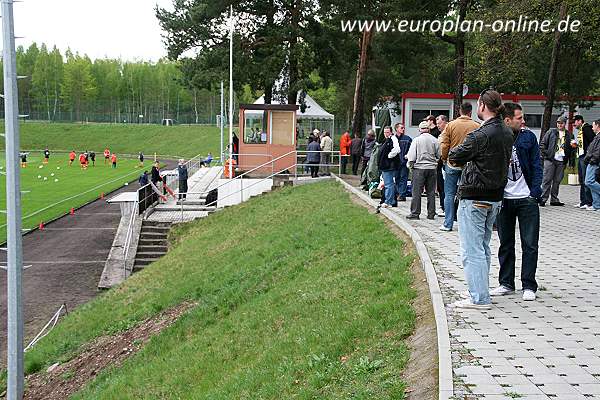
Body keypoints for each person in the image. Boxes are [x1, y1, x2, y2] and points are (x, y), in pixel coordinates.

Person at [448, 89, 513, 309]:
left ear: (483, 106)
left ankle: (479, 297)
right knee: (483, 247)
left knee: (471, 250)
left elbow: (454, 155)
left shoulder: (480, 135)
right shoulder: (506, 131)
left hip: (474, 196)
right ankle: (481, 291)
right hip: (495, 197)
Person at [491, 103, 543, 301]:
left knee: (530, 244)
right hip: (504, 199)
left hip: (527, 199)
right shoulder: (498, 138)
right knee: (505, 243)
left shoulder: (528, 137)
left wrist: (535, 192)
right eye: (519, 118)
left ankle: (529, 285)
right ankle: (506, 283)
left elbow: (537, 165)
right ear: (507, 120)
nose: (523, 121)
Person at [439, 102, 480, 231]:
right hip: (469, 165)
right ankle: (466, 224)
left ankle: (448, 223)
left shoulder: (450, 125)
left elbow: (444, 145)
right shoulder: (476, 126)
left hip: (452, 163)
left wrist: (445, 159)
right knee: (468, 194)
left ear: (460, 111)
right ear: (470, 112)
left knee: (449, 194)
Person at [405, 121, 440, 220]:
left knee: (416, 192)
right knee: (431, 192)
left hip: (419, 169)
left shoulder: (416, 140)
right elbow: (439, 154)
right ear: (428, 129)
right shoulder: (435, 140)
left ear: (420, 130)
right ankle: (431, 214)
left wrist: (410, 165)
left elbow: (411, 156)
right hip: (432, 169)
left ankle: (415, 213)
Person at [539, 116, 572, 206]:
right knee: (547, 180)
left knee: (557, 181)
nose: (559, 124)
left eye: (561, 123)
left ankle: (554, 199)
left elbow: (571, 149)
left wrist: (570, 161)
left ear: (565, 124)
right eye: (558, 123)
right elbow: (542, 144)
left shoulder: (569, 134)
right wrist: (547, 154)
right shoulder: (551, 132)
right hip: (550, 160)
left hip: (561, 161)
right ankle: (543, 199)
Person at [572, 115, 596, 209]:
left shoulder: (586, 128)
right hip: (581, 156)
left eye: (575, 122)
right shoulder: (581, 130)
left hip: (585, 157)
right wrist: (577, 146)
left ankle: (589, 202)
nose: (574, 124)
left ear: (580, 121)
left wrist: (588, 154)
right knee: (582, 180)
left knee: (586, 180)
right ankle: (583, 201)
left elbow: (592, 142)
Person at [378, 126, 400, 208]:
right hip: (385, 166)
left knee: (388, 184)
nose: (386, 134)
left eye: (387, 132)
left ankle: (388, 201)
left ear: (391, 132)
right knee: (389, 184)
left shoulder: (393, 139)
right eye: (384, 132)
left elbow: (397, 149)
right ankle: (392, 201)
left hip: (389, 166)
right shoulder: (386, 140)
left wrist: (389, 156)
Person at [583, 119, 600, 211]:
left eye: (593, 126)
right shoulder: (597, 136)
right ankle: (597, 205)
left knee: (589, 182)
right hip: (592, 161)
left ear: (598, 126)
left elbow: (598, 151)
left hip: (594, 162)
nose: (592, 128)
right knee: (592, 182)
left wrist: (592, 160)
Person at [394, 123, 412, 202]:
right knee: (397, 178)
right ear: (396, 129)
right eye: (401, 128)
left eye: (404, 128)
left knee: (403, 178)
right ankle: (398, 193)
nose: (403, 129)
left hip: (404, 162)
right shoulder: (393, 139)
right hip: (395, 163)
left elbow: (411, 149)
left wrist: (408, 156)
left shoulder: (407, 139)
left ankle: (402, 195)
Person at [435, 115, 449, 216]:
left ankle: (445, 208)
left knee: (445, 187)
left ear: (445, 122)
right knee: (441, 187)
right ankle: (443, 206)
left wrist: (442, 159)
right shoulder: (441, 134)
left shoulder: (447, 133)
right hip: (441, 163)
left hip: (445, 163)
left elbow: (442, 149)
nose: (438, 126)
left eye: (439, 123)